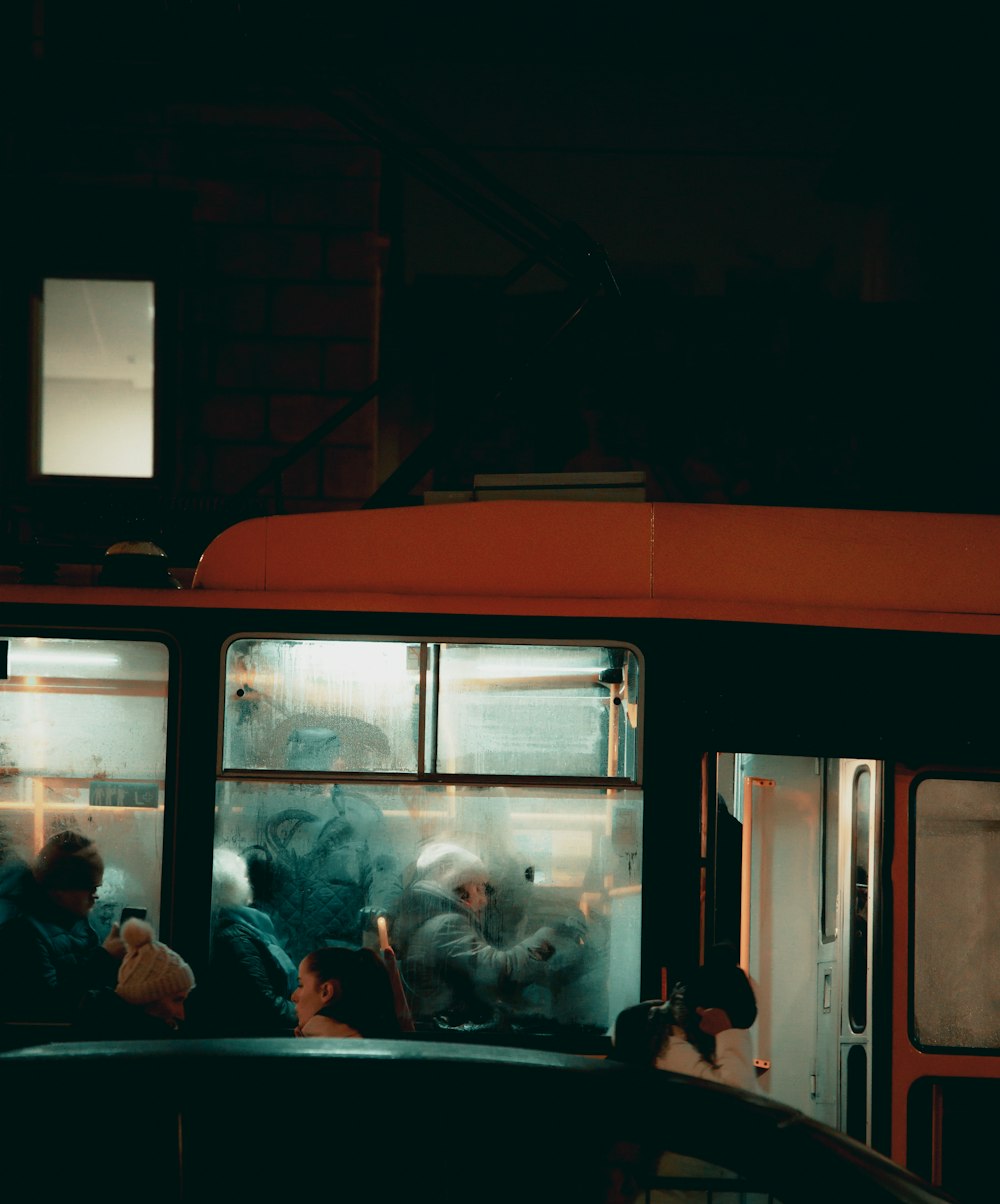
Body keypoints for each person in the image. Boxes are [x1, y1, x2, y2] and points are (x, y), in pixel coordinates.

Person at [247, 724, 403, 964]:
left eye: (321, 759)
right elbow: (250, 868)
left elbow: (384, 869)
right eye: (303, 761)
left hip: (337, 947)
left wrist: (381, 907)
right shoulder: (270, 812)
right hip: (281, 944)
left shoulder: (359, 814)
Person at [393, 840, 586, 1031]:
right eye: (478, 889)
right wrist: (549, 937)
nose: (484, 901)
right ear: (458, 890)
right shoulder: (446, 925)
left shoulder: (430, 921)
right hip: (452, 1036)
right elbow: (498, 973)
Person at [0, 830, 125, 1021]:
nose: (95, 896)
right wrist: (105, 958)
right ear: (60, 889)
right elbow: (46, 1006)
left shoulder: (77, 922)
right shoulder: (21, 934)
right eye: (89, 888)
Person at [188, 847, 297, 1037]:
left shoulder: (242, 926)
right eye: (244, 877)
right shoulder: (236, 937)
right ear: (231, 885)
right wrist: (307, 1012)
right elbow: (265, 1005)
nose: (248, 882)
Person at [74, 917, 195, 1038]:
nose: (182, 1014)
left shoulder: (105, 1022)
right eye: (177, 1000)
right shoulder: (150, 1041)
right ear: (146, 997)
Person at [292, 944, 402, 1038]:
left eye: (300, 985)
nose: (293, 997)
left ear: (326, 991)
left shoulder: (316, 1038)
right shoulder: (376, 1033)